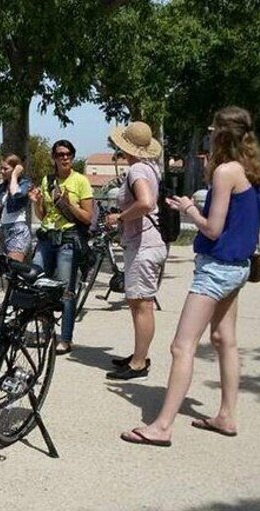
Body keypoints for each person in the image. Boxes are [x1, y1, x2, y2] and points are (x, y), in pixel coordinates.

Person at [121, 106, 260, 447]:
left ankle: (162, 426)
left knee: (181, 345)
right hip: (238, 266)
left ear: (221, 134)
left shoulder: (225, 172)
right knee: (224, 340)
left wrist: (189, 209)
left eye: (212, 128)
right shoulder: (252, 170)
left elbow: (213, 229)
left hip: (216, 268)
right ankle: (227, 415)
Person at [104, 122, 169, 381]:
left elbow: (145, 202)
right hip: (146, 242)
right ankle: (138, 354)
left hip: (144, 244)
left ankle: (140, 362)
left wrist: (120, 217)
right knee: (138, 302)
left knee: (142, 304)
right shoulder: (151, 168)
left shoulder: (137, 170)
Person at [28, 139, 93, 354]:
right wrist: (36, 202)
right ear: (53, 158)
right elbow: (43, 215)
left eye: (68, 154)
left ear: (72, 157)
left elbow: (87, 217)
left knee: (66, 290)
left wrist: (68, 204)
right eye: (59, 154)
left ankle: (65, 338)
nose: (64, 158)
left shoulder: (80, 181)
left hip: (68, 239)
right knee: (38, 283)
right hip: (47, 237)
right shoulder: (47, 181)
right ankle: (45, 333)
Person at [0, 154, 32, 262]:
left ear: (16, 168)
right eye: (1, 168)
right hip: (4, 229)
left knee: (13, 269)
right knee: (6, 272)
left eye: (6, 169)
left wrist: (15, 175)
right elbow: (2, 213)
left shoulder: (24, 183)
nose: (2, 171)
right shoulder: (2, 187)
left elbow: (16, 193)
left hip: (18, 230)